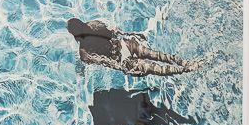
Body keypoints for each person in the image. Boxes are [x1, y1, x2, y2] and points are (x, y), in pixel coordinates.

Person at [67, 18, 203, 77]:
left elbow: (107, 62)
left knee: (155, 68)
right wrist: (132, 35)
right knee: (158, 55)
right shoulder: (95, 24)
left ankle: (187, 69)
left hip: (122, 61)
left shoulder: (84, 53)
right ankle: (185, 63)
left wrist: (125, 68)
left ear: (75, 36)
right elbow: (118, 32)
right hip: (126, 45)